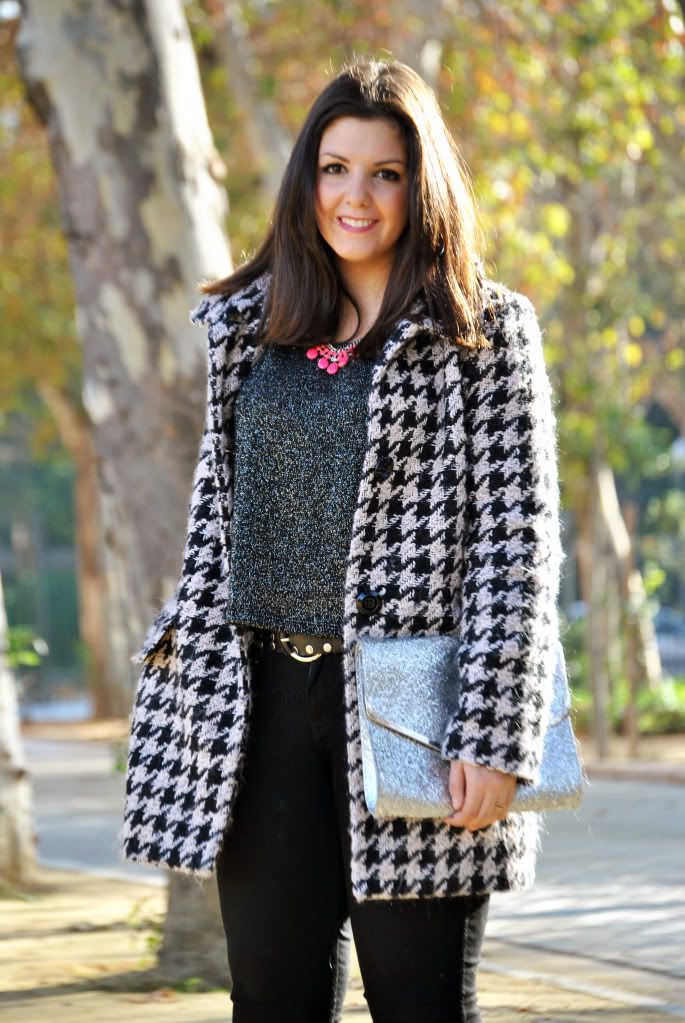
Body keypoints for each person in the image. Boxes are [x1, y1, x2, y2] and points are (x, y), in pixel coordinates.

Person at [122, 57, 562, 1023]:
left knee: (421, 1004)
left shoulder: (484, 334)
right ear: (305, 179)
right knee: (269, 1001)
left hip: (415, 710)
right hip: (258, 707)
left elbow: (516, 547)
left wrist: (493, 732)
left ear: (421, 185)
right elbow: (213, 533)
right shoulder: (249, 326)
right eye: (334, 168)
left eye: (384, 173)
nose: (354, 196)